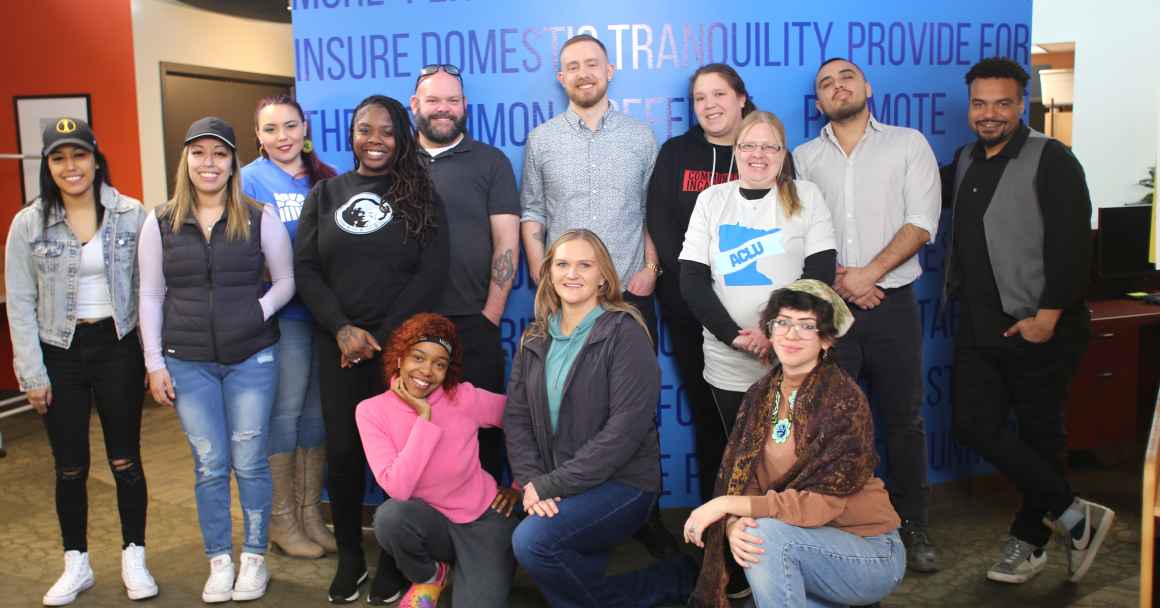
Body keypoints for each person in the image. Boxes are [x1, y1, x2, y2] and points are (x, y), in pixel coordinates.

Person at [943, 57, 1113, 585]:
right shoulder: (966, 158)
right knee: (973, 425)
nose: (989, 114)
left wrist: (1048, 316)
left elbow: (1072, 245)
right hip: (978, 325)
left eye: (1002, 103)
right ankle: (1074, 513)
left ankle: (1031, 539)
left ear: (1022, 105)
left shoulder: (1052, 159)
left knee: (1040, 437)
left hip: (1038, 325)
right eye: (979, 103)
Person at [519, 32, 676, 558]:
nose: (583, 73)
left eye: (592, 64)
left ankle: (643, 513)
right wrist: (545, 275)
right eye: (572, 66)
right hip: (565, 296)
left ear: (610, 71)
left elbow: (653, 211)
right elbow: (532, 213)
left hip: (630, 293)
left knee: (634, 412)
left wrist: (651, 267)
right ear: (561, 78)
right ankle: (571, 501)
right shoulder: (541, 140)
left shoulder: (640, 137)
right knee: (563, 403)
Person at [294, 94, 450, 603]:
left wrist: (383, 338)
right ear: (352, 135)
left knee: (401, 457)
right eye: (365, 129)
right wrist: (342, 329)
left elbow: (432, 271)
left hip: (398, 350)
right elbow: (306, 269)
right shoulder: (325, 194)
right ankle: (350, 556)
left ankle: (394, 558)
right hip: (337, 347)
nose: (375, 140)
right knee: (342, 454)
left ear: (401, 137)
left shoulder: (421, 195)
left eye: (386, 131)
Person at [793, 57, 943, 572]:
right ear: (818, 102)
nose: (837, 87)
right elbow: (799, 230)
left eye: (846, 78)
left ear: (866, 87)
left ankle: (914, 525)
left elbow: (922, 221)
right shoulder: (804, 156)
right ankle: (845, 529)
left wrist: (871, 273)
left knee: (904, 420)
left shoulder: (908, 144)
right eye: (826, 84)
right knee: (834, 425)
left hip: (892, 305)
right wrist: (843, 280)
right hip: (832, 311)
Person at [139, 116, 295, 602]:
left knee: (249, 461)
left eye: (220, 154)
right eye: (199, 153)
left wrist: (256, 312)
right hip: (187, 361)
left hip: (252, 357)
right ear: (186, 159)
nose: (210, 163)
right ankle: (219, 561)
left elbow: (286, 281)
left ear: (233, 163)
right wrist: (154, 363)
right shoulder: (160, 221)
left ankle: (253, 558)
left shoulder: (258, 215)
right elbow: (150, 293)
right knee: (210, 465)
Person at [5, 118, 156, 605]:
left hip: (118, 347)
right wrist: (31, 372)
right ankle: (77, 562)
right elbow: (21, 302)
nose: (71, 167)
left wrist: (154, 358)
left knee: (125, 459)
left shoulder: (131, 214)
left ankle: (134, 554)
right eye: (59, 158)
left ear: (95, 158)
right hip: (60, 352)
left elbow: (150, 290)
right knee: (69, 466)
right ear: (48, 166)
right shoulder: (29, 222)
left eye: (79, 155)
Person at [505, 229, 698, 607]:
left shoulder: (625, 332)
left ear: (603, 277)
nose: (572, 274)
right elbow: (516, 417)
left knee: (532, 542)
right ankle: (676, 576)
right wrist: (532, 480)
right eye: (562, 264)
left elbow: (624, 432)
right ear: (549, 273)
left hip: (623, 485)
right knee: (566, 573)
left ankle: (663, 582)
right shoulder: (535, 337)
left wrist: (551, 484)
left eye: (584, 264)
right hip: (557, 481)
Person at [684, 279, 906, 608]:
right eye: (783, 323)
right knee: (755, 535)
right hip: (802, 545)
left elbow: (821, 505)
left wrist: (724, 506)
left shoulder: (841, 400)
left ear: (826, 340)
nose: (791, 334)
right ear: (769, 332)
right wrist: (733, 526)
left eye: (806, 326)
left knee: (765, 535)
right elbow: (747, 482)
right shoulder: (761, 395)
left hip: (869, 551)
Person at [678, 110, 837, 450]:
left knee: (792, 456)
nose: (758, 155)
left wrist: (773, 334)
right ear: (735, 150)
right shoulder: (711, 199)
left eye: (770, 147)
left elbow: (820, 274)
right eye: (749, 145)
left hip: (793, 355)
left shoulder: (806, 195)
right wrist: (735, 337)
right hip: (728, 360)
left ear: (783, 154)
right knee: (740, 457)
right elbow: (692, 279)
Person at [646, 63, 756, 504]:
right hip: (689, 303)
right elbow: (659, 219)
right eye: (699, 98)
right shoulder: (675, 153)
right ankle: (716, 524)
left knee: (761, 413)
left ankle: (763, 516)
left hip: (753, 305)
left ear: (741, 98)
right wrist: (698, 283)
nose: (709, 105)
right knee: (710, 413)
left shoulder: (762, 150)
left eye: (719, 94)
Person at [356, 313, 519, 607]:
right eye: (418, 357)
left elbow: (523, 419)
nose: (427, 371)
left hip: (482, 519)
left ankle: (478, 569)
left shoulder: (463, 397)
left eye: (439, 364)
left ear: (448, 370)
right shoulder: (371, 411)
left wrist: (522, 484)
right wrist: (424, 418)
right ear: (400, 358)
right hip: (428, 523)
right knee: (390, 518)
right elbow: (399, 489)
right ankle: (431, 575)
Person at [410, 65, 520, 481]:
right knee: (414, 430)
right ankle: (413, 537)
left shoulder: (491, 161)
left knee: (484, 434)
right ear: (415, 105)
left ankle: (486, 529)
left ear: (465, 106)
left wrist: (490, 314)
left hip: (475, 321)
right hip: (410, 325)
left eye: (452, 100)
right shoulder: (397, 161)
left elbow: (507, 241)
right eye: (434, 100)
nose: (444, 109)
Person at [242, 95, 339, 559]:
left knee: (317, 417)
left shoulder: (328, 177)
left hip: (327, 317)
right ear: (257, 136)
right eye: (271, 129)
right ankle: (282, 520)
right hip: (284, 319)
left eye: (289, 126)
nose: (282, 137)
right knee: (286, 414)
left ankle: (308, 514)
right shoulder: (248, 181)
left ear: (305, 128)